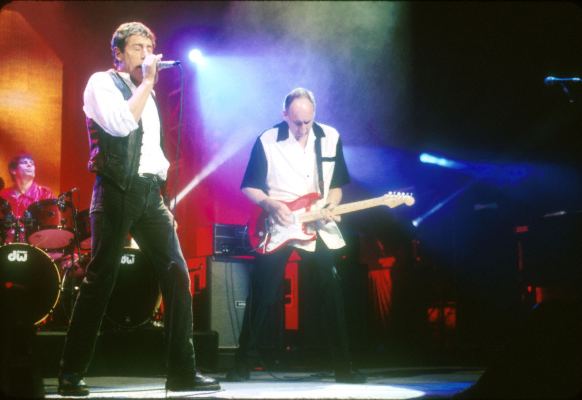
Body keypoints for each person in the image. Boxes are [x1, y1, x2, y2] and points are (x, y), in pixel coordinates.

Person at [57, 22, 220, 396]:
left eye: (149, 47)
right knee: (101, 279)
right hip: (116, 190)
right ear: (118, 52)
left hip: (149, 194)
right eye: (136, 47)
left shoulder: (145, 95)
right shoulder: (102, 83)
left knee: (177, 274)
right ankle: (70, 373)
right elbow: (119, 125)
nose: (145, 54)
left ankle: (182, 371)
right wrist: (146, 84)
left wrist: (161, 200)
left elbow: (154, 153)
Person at [226, 88, 366, 383]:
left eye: (308, 122)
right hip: (278, 224)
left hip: (314, 224)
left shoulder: (329, 137)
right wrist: (269, 203)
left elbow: (338, 184)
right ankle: (241, 364)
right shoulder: (267, 140)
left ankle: (344, 366)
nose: (303, 128)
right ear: (285, 115)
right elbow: (248, 186)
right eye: (297, 122)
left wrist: (331, 203)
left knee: (332, 289)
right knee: (262, 295)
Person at [0, 153, 54, 219]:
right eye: (24, 162)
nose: (29, 165)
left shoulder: (45, 193)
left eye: (32, 163)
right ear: (13, 170)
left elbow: (51, 223)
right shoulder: (3, 195)